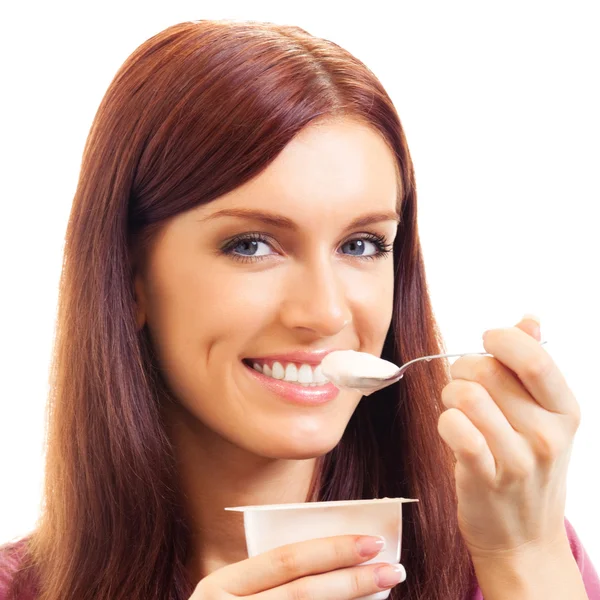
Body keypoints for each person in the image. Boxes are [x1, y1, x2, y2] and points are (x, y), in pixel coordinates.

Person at [1, 18, 598, 600]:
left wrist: (524, 559)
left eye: (361, 245)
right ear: (130, 280)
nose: (325, 311)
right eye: (251, 244)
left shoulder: (509, 559)